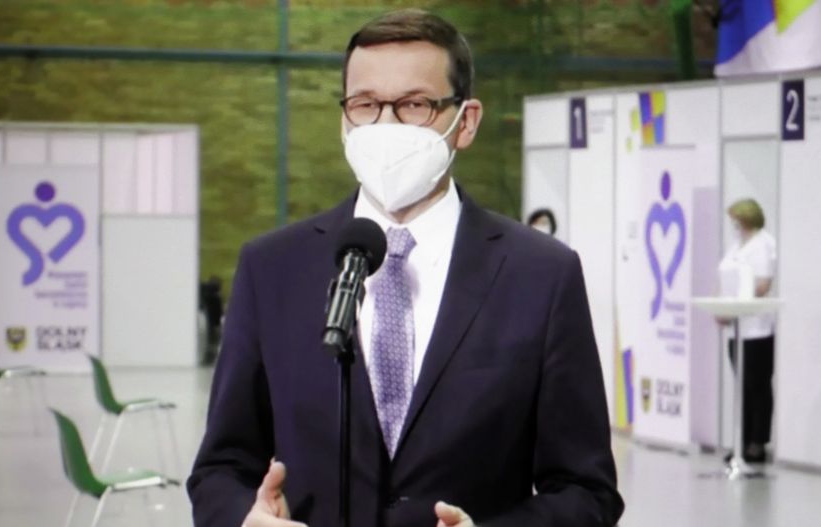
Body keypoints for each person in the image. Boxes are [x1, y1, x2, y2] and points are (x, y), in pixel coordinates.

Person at [188, 9, 624, 527]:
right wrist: (244, 519)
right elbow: (220, 468)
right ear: (344, 119)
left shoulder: (541, 275)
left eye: (414, 105)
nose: (385, 126)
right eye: (365, 104)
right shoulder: (272, 269)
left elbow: (586, 490)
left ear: (466, 122)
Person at [717, 198, 777, 464]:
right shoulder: (736, 245)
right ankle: (741, 441)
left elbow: (763, 284)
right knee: (742, 387)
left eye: (737, 220)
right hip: (736, 329)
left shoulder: (763, 243)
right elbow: (725, 278)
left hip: (757, 330)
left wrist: (739, 305)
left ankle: (757, 442)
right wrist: (722, 308)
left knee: (757, 386)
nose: (735, 225)